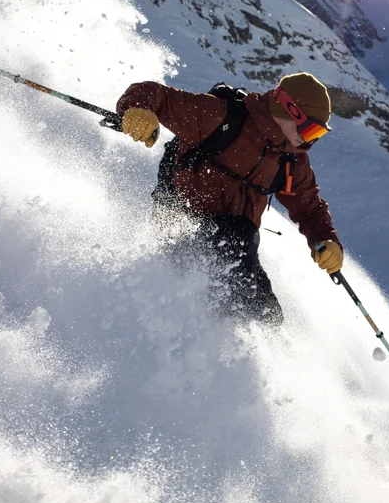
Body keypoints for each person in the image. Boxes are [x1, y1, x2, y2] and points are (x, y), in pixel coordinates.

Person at [116, 72, 343, 326]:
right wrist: (137, 110)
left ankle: (259, 358)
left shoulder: (291, 159)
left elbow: (309, 208)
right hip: (179, 227)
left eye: (318, 135)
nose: (309, 142)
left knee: (269, 314)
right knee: (239, 237)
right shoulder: (221, 116)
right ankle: (225, 342)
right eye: (310, 130)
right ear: (289, 110)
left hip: (231, 246)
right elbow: (155, 95)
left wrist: (326, 239)